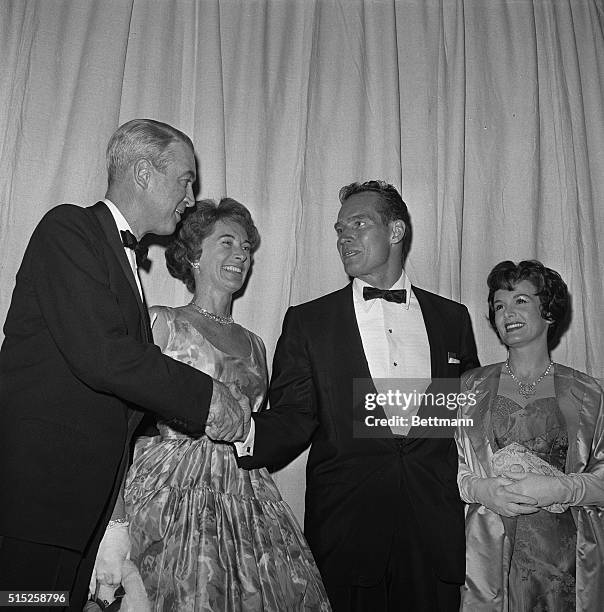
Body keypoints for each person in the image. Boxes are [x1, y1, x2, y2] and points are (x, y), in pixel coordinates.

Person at [0, 119, 249, 610]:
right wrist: (209, 397)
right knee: (26, 605)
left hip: (75, 512)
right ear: (142, 172)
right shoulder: (69, 227)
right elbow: (105, 357)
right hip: (38, 504)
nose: (190, 195)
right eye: (184, 178)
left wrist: (114, 523)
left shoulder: (121, 258)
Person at [238, 180, 480, 611]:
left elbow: (463, 422)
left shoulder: (452, 319)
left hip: (432, 538)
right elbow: (295, 417)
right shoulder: (309, 321)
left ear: (396, 232)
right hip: (347, 537)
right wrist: (240, 431)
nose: (343, 236)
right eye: (339, 229)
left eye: (359, 223)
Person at [124, 198, 331, 611]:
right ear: (194, 254)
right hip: (169, 491)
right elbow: (123, 422)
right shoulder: (163, 322)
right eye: (227, 242)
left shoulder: (256, 344)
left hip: (244, 489)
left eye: (246, 248)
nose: (240, 254)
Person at [455, 260, 604, 611]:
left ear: (548, 310)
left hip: (567, 560)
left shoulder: (592, 393)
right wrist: (478, 488)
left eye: (521, 300)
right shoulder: (465, 387)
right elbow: (435, 467)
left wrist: (563, 487)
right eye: (499, 305)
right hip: (488, 556)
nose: (507, 312)